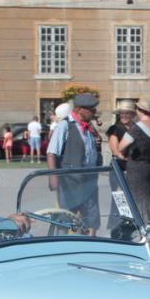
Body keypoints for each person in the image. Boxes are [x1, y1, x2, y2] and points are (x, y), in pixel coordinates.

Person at [46, 92, 103, 235]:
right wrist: (53, 177)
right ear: (79, 109)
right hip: (70, 180)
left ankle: (89, 244)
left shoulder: (88, 127)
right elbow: (51, 152)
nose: (94, 111)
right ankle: (62, 244)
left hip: (89, 178)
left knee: (92, 215)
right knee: (66, 216)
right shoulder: (64, 125)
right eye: (90, 109)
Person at [107, 99, 150, 232]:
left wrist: (126, 154)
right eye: (122, 113)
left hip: (135, 168)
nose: (124, 115)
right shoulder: (116, 128)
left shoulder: (137, 128)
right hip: (124, 167)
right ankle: (122, 228)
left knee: (136, 200)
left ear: (136, 112)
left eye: (128, 113)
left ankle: (136, 229)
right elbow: (115, 150)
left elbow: (121, 147)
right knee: (123, 200)